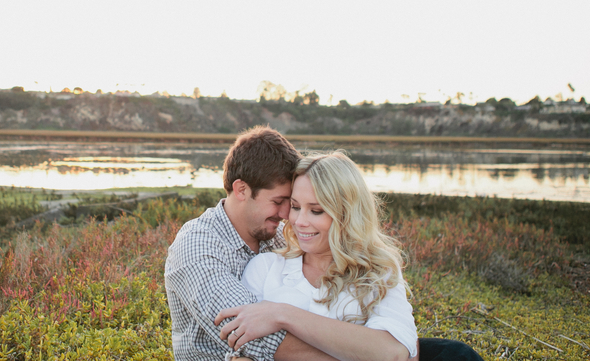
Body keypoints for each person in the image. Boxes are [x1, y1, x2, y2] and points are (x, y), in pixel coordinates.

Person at [165, 125, 483, 361]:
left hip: (324, 345)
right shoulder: (199, 246)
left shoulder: (279, 233)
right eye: (285, 203)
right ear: (242, 189)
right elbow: (252, 340)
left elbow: (398, 350)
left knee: (452, 355)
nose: (294, 218)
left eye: (311, 208)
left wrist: (284, 313)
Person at [215, 151, 416, 361]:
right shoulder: (264, 268)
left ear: (346, 214)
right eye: (295, 207)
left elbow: (393, 352)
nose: (299, 221)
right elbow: (244, 353)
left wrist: (283, 315)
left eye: (316, 210)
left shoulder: (379, 271)